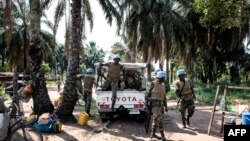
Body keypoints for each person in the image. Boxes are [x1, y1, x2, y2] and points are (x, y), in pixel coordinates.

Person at [147, 71, 168, 141]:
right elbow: (147, 95)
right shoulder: (152, 84)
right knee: (159, 120)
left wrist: (166, 106)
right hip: (155, 105)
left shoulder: (163, 85)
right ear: (160, 77)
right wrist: (149, 103)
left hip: (161, 105)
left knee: (155, 120)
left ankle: (152, 134)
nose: (164, 79)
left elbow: (164, 96)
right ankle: (162, 135)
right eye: (163, 78)